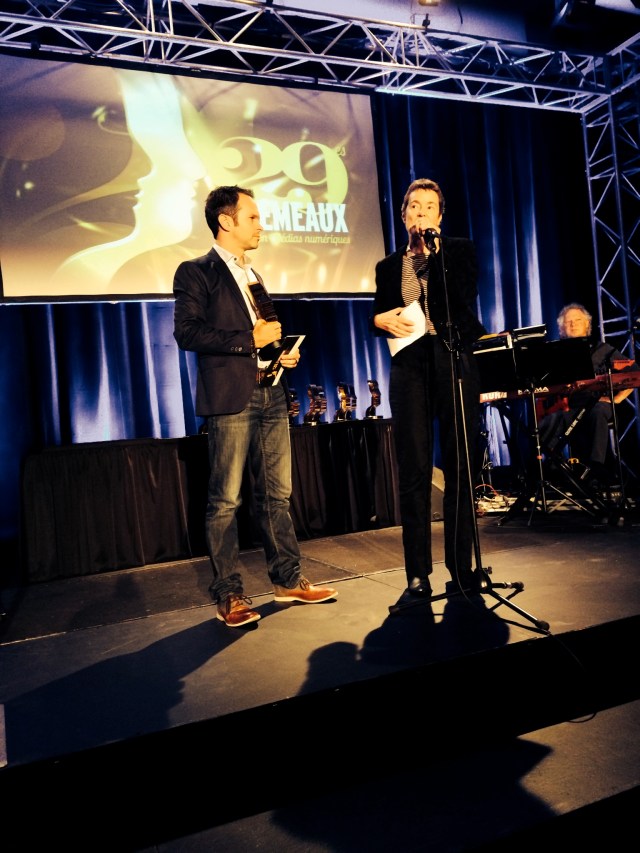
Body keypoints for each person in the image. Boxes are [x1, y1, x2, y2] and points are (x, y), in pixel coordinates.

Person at [173, 185, 337, 627]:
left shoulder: (253, 274)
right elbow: (187, 334)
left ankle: (287, 580)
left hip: (271, 391)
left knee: (277, 495)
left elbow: (264, 334)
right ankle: (230, 594)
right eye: (252, 217)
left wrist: (278, 353)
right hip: (231, 399)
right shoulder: (197, 272)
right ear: (226, 221)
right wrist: (251, 342)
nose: (260, 225)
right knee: (225, 499)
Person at [371, 177, 487, 598]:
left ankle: (461, 566)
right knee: (415, 470)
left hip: (452, 358)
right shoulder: (387, 266)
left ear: (440, 215)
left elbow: (460, 300)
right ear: (403, 216)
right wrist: (378, 320)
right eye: (413, 206)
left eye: (428, 207)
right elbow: (379, 313)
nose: (420, 212)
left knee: (460, 464)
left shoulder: (458, 251)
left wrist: (432, 253)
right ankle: (417, 574)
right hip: (409, 365)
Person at [538, 302, 638, 488]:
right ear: (561, 328)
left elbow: (634, 373)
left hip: (597, 403)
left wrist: (617, 399)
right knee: (547, 422)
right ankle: (553, 470)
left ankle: (596, 468)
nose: (573, 324)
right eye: (568, 322)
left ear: (587, 325)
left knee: (598, 411)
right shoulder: (556, 354)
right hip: (569, 407)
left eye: (577, 320)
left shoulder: (603, 350)